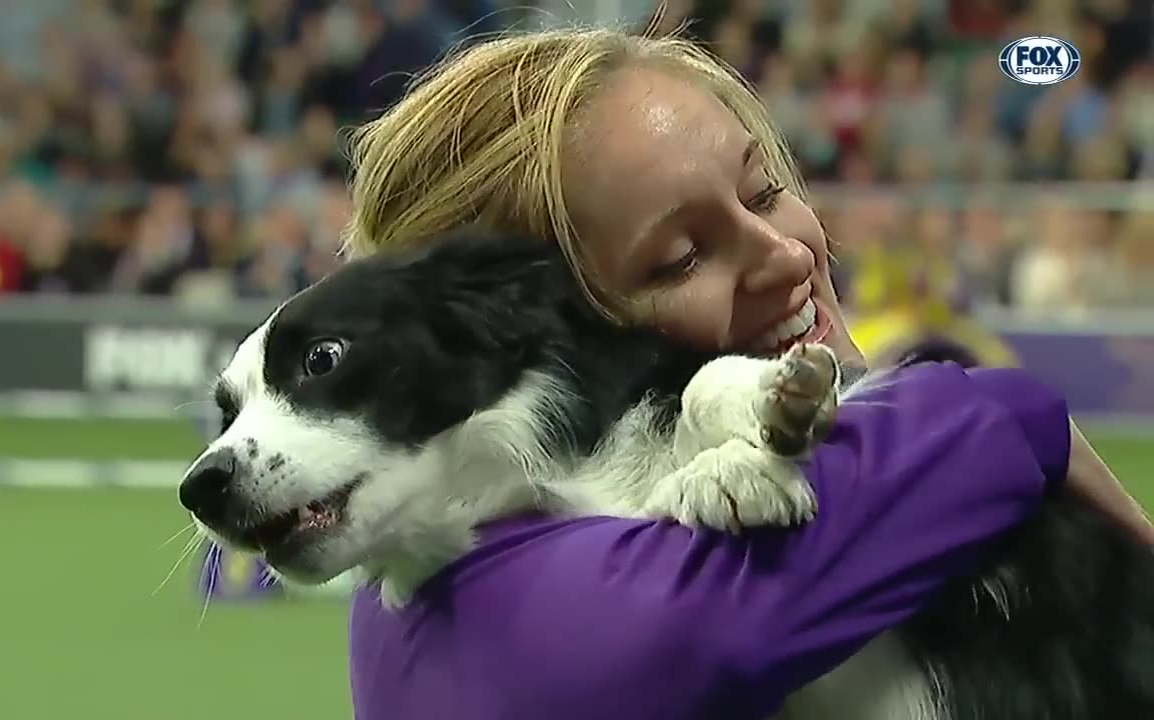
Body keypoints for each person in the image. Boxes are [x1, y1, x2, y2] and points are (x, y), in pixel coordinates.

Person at [337, 27, 1154, 719]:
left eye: (764, 190)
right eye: (680, 258)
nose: (788, 253)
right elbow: (699, 634)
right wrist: (997, 416)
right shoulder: (505, 612)